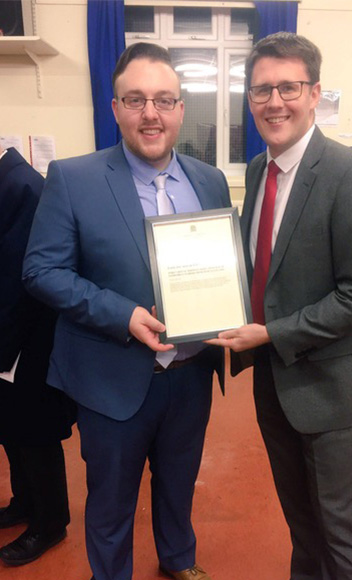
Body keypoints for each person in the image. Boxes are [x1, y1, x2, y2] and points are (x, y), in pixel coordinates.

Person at [22, 43, 230, 580]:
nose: (151, 114)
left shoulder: (209, 181)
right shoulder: (74, 178)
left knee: (179, 481)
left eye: (164, 100)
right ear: (114, 108)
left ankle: (179, 560)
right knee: (111, 499)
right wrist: (123, 314)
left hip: (190, 375)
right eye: (135, 100)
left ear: (182, 108)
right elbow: (41, 271)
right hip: (111, 376)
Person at [206, 32, 352, 580]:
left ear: (314, 94)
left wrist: (270, 333)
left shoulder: (350, 175)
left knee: (339, 528)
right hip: (276, 383)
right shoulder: (261, 171)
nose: (274, 102)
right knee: (301, 524)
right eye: (261, 90)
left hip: (331, 390)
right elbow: (255, 265)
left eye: (288, 87)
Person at [0, 145, 76, 567]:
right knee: (11, 428)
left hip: (28, 341)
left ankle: (50, 521)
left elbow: (21, 284)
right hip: (9, 339)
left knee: (34, 434)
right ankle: (24, 501)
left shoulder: (24, 187)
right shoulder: (7, 181)